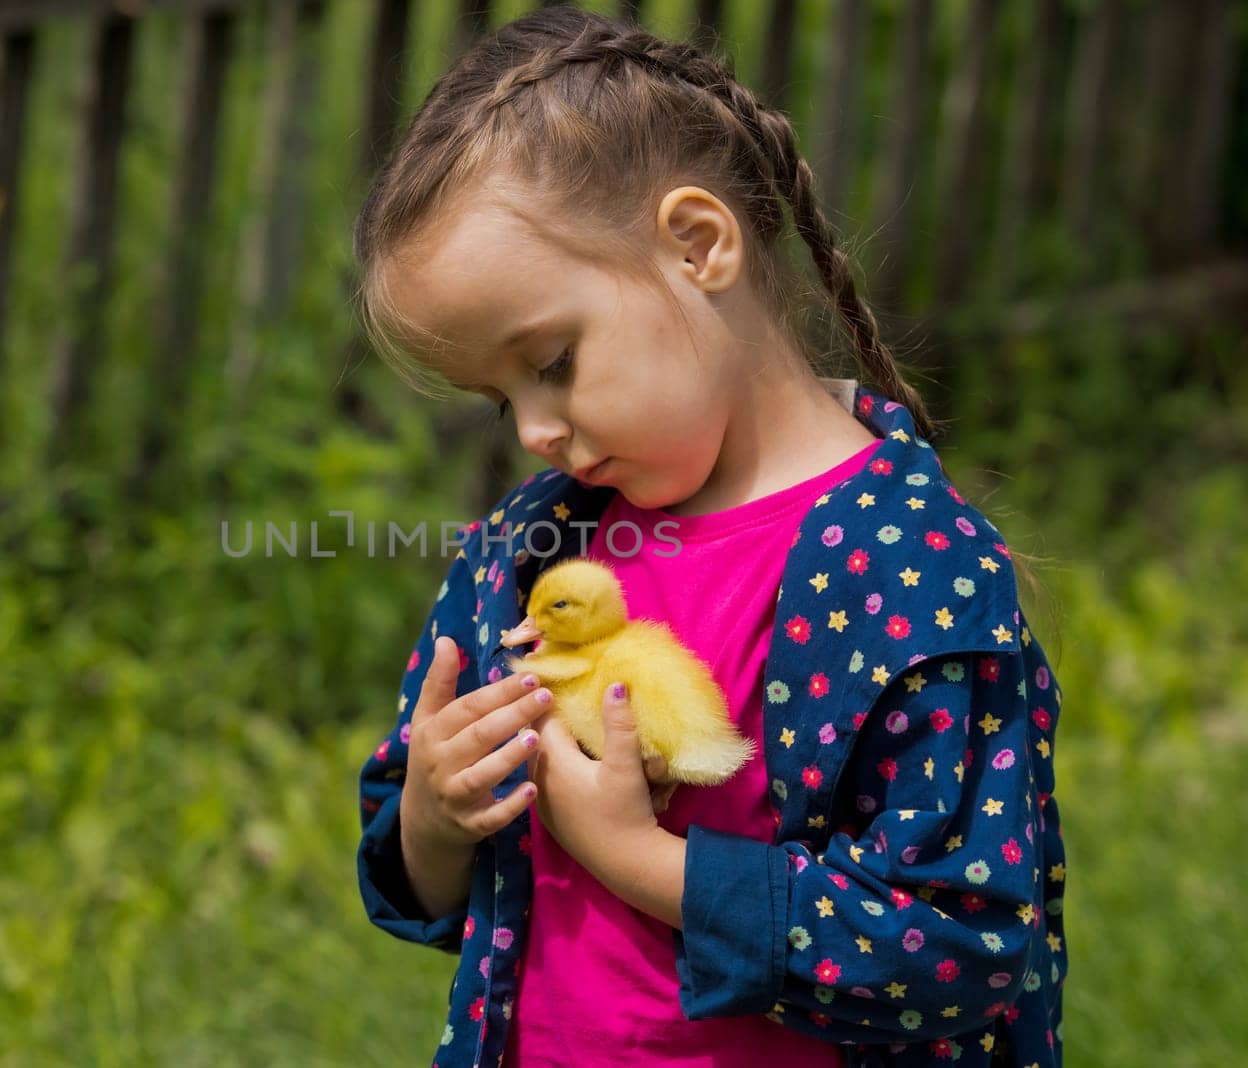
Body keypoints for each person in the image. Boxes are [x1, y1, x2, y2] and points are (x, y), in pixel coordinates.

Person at [353, 7, 1067, 1067]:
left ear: (697, 246)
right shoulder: (533, 551)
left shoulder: (904, 563)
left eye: (549, 361)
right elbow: (423, 874)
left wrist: (640, 857)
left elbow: (956, 945)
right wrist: (433, 814)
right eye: (499, 401)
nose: (538, 432)